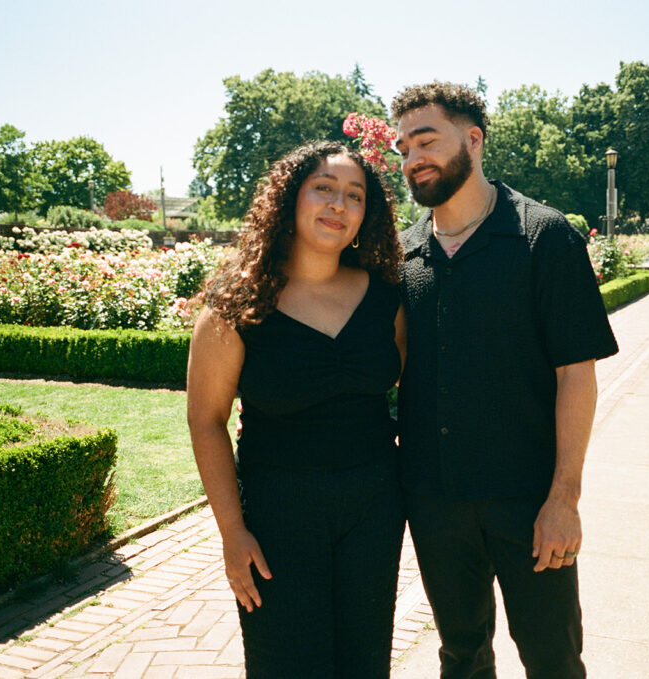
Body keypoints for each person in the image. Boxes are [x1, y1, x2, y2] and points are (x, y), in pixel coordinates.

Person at [391, 82, 619, 679]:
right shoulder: (404, 252)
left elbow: (577, 374)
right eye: (403, 146)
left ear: (473, 139)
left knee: (553, 659)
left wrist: (563, 498)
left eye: (426, 140)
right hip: (436, 503)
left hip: (529, 500)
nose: (412, 157)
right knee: (461, 658)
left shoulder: (544, 237)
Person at [186, 141, 406, 678]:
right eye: (324, 189)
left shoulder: (386, 298)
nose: (338, 204)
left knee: (364, 663)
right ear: (290, 197)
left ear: (366, 215)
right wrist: (232, 532)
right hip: (277, 517)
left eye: (354, 196)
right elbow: (206, 421)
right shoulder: (238, 302)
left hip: (374, 511)